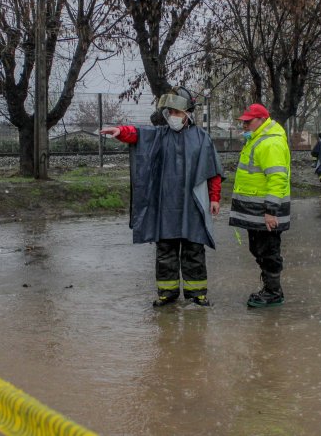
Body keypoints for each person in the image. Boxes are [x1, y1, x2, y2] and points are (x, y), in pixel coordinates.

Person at [100, 87, 224, 308]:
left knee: (193, 250)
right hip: (165, 205)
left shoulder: (202, 138)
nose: (173, 117)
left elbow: (212, 171)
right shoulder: (159, 135)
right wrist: (120, 131)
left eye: (178, 112)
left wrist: (214, 198)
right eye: (170, 112)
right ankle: (167, 293)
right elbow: (137, 134)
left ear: (188, 113)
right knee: (165, 250)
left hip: (192, 206)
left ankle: (197, 295)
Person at [229, 103, 291, 308]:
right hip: (256, 212)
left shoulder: (270, 144)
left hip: (265, 213)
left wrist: (271, 211)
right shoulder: (258, 141)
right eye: (244, 122)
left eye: (249, 121)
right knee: (259, 249)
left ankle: (273, 292)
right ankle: (270, 289)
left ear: (263, 120)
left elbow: (277, 179)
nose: (245, 125)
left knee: (268, 251)